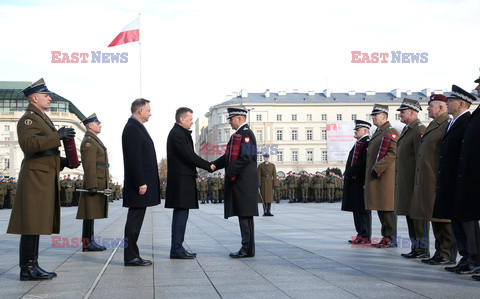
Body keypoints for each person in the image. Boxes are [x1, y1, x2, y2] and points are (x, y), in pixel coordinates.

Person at [7, 78, 77, 280]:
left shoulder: (41, 117)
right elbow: (29, 146)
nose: (49, 98)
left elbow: (46, 151)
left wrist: (65, 162)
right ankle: (27, 268)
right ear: (34, 98)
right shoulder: (28, 119)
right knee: (31, 223)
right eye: (46, 95)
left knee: (36, 223)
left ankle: (33, 265)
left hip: (43, 175)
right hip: (35, 177)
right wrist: (58, 136)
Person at [432, 85, 474, 274]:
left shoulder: (467, 121)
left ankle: (473, 259)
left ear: (461, 103)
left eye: (450, 101)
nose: (447, 104)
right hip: (450, 180)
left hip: (461, 180)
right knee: (455, 220)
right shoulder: (453, 121)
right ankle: (465, 257)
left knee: (467, 222)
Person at [411, 94, 455, 265]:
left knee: (444, 220)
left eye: (430, 106)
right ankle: (439, 251)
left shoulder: (446, 124)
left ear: (441, 108)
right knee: (434, 216)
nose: (427, 109)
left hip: (437, 177)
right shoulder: (434, 124)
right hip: (429, 178)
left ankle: (447, 254)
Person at [165, 107, 213, 259]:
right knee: (180, 215)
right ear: (181, 119)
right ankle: (176, 249)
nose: (192, 122)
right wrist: (208, 166)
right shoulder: (177, 134)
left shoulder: (180, 133)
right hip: (181, 181)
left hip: (183, 180)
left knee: (182, 215)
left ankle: (177, 247)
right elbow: (190, 156)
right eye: (190, 119)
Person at [212, 107, 259, 258]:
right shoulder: (238, 135)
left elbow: (246, 157)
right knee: (244, 214)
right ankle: (248, 248)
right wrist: (212, 165)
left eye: (231, 119)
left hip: (244, 181)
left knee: (245, 214)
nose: (230, 122)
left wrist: (229, 171)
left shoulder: (246, 134)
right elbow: (227, 157)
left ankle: (246, 248)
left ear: (239, 119)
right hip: (241, 180)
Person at [122, 98, 160, 266]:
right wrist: (140, 182)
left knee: (136, 220)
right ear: (140, 111)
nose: (150, 113)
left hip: (140, 182)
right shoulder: (133, 128)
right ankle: (130, 256)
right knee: (134, 221)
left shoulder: (136, 127)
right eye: (148, 110)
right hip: (138, 184)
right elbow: (134, 158)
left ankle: (132, 254)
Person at [449, 83, 480, 276]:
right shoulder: (475, 115)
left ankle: (474, 259)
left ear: (461, 103)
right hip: (464, 175)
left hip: (472, 176)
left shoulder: (470, 117)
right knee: (461, 217)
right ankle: (469, 258)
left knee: (468, 218)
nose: (477, 87)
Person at [394, 99, 428, 259]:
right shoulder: (408, 129)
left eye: (403, 111)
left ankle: (423, 249)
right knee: (409, 215)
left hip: (414, 181)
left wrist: (418, 182)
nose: (400, 114)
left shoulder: (419, 129)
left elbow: (420, 157)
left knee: (417, 217)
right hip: (407, 181)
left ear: (413, 113)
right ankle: (416, 247)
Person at [364, 104, 399, 248]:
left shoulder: (390, 131)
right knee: (380, 207)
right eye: (372, 115)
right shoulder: (379, 131)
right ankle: (386, 236)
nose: (373, 117)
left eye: (375, 115)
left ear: (384, 116)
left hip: (385, 177)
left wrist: (377, 168)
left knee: (387, 208)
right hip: (377, 176)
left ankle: (391, 238)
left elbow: (392, 153)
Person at [76, 113, 109, 252]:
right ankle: (87, 243)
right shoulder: (89, 141)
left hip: (98, 180)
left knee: (91, 214)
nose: (100, 125)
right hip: (94, 181)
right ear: (90, 125)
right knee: (89, 214)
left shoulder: (93, 140)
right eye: (97, 123)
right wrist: (92, 185)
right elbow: (89, 165)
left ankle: (89, 240)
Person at [342, 119, 372, 245]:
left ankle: (365, 235)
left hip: (360, 180)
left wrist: (351, 171)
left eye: (357, 129)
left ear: (364, 131)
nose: (355, 131)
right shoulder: (359, 142)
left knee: (362, 209)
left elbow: (364, 162)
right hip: (355, 181)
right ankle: (360, 233)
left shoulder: (366, 142)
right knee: (356, 208)